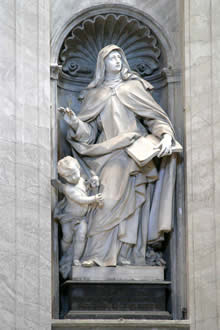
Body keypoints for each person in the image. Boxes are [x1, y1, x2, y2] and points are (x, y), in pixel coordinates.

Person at [58, 44, 178, 267]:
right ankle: (96, 256)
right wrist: (75, 123)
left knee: (132, 205)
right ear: (102, 64)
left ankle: (128, 256)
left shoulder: (134, 87)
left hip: (134, 153)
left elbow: (154, 117)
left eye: (119, 57)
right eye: (112, 58)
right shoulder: (95, 94)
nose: (117, 61)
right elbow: (89, 134)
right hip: (106, 154)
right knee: (106, 202)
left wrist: (166, 136)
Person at [52, 156, 103, 277]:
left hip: (81, 219)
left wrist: (92, 182)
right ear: (63, 177)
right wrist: (94, 198)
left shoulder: (80, 180)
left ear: (78, 168)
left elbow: (85, 186)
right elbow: (81, 199)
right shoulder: (68, 188)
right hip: (69, 219)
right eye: (68, 177)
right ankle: (65, 254)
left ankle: (76, 258)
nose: (73, 178)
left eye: (75, 173)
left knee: (81, 237)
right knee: (67, 238)